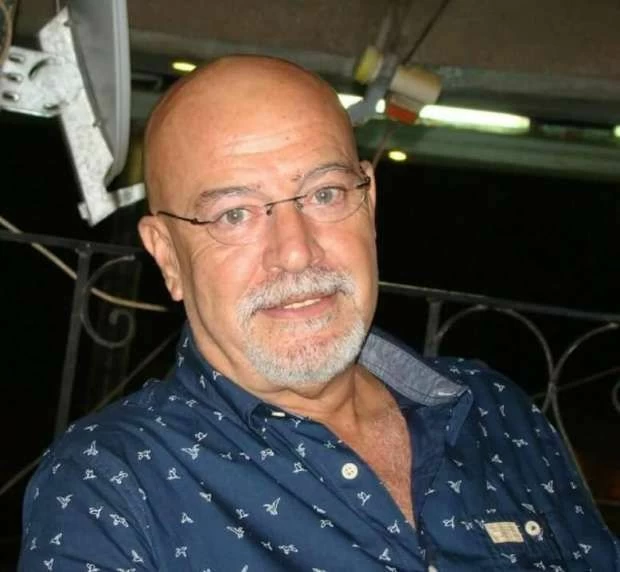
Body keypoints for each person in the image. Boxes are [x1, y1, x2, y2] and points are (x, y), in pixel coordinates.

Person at [19, 55, 619, 571]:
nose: (296, 251)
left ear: (369, 205)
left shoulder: (493, 409)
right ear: (167, 256)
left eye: (324, 194)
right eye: (235, 214)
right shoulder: (110, 485)